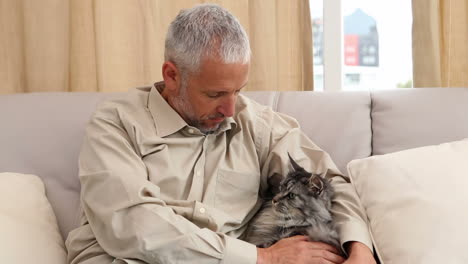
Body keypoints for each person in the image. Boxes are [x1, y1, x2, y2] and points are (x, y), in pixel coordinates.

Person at [66, 4, 376, 264]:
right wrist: (261, 258)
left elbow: (329, 182)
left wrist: (359, 249)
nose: (230, 108)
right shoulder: (116, 124)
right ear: (172, 76)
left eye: (238, 91)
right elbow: (132, 226)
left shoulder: (256, 124)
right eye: (215, 94)